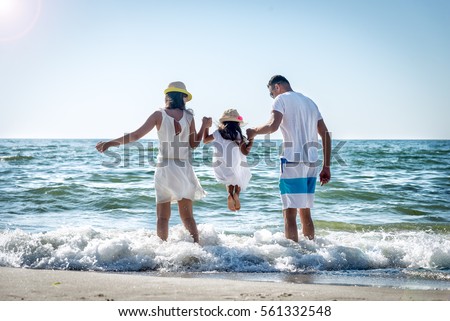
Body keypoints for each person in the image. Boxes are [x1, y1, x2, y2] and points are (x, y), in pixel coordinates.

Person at [96, 81, 209, 243]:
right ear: (183, 97)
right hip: (183, 167)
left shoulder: (158, 115)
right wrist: (205, 126)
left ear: (168, 96)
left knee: (162, 217)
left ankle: (161, 250)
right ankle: (197, 249)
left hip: (164, 167)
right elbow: (194, 145)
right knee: (187, 216)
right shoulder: (189, 117)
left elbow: (135, 136)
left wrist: (111, 143)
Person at [246, 75, 331, 241]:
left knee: (289, 212)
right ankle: (310, 255)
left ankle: (294, 259)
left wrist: (254, 131)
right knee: (305, 211)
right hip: (312, 161)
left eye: (272, 93)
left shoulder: (281, 99)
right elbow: (326, 135)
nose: (273, 97)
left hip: (292, 160)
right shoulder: (310, 102)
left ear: (277, 87)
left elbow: (272, 126)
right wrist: (326, 166)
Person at [203, 109, 253, 211]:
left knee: (228, 181)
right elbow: (245, 152)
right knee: (239, 179)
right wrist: (251, 140)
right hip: (235, 163)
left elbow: (205, 140)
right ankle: (236, 194)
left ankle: (229, 194)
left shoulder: (218, 133)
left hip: (220, 163)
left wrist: (206, 127)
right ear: (237, 123)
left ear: (224, 122)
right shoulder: (238, 135)